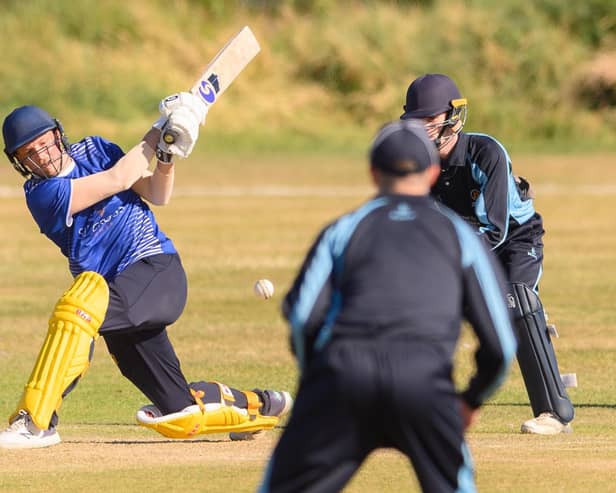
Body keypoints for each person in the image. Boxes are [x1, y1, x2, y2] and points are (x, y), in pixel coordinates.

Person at [0, 96, 291, 450]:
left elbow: (155, 192)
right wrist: (162, 127)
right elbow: (117, 179)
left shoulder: (95, 150)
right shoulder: (41, 194)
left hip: (154, 271)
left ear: (58, 135)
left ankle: (36, 422)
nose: (41, 156)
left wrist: (167, 156)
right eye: (29, 154)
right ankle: (260, 405)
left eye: (44, 144)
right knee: (178, 412)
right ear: (19, 163)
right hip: (116, 294)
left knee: (75, 313)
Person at [258, 120, 517, 493]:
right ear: (432, 172)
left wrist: (319, 378)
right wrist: (472, 398)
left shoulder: (344, 230)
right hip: (426, 385)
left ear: (373, 172)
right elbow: (502, 344)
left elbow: (302, 317)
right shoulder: (460, 235)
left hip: (343, 377)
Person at [399, 73, 576, 434]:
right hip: (458, 245)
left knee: (517, 301)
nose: (424, 131)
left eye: (430, 121)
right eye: (417, 122)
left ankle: (554, 414)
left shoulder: (486, 152)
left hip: (515, 241)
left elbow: (495, 229)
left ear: (453, 117)